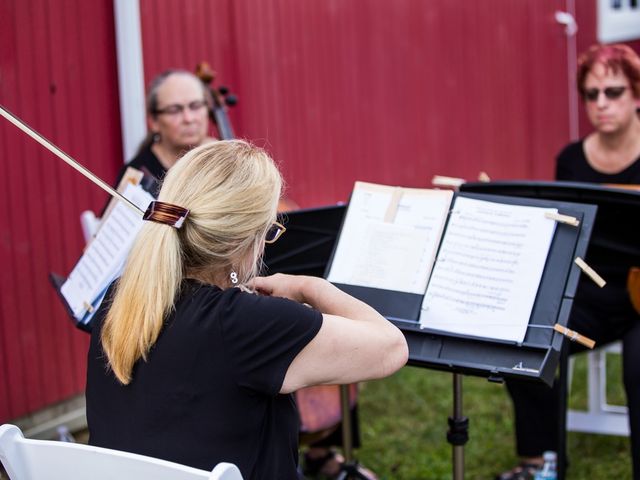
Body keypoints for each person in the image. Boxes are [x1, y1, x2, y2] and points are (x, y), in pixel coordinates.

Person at [85, 140, 409, 480]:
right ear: (245, 239)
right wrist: (310, 287)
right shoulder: (240, 323)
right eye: (268, 231)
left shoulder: (119, 299)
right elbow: (391, 346)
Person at [498, 43, 640, 480]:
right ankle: (542, 462)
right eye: (592, 94)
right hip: (590, 292)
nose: (601, 104)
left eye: (613, 92)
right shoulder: (571, 159)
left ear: (636, 95)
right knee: (528, 337)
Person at [114, 69, 214, 192]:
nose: (189, 118)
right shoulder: (138, 177)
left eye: (196, 106)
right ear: (154, 122)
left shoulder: (224, 158)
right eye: (174, 110)